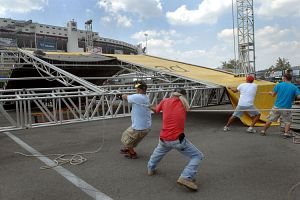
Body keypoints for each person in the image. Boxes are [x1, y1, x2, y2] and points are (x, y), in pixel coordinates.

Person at [147, 88, 204, 191]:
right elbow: (187, 108)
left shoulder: (164, 101)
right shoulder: (183, 103)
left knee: (157, 153)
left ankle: (150, 169)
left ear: (172, 94)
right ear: (183, 95)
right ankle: (185, 177)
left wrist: (149, 106)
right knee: (197, 156)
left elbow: (155, 110)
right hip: (177, 140)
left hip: (164, 138)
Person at [119, 81, 151, 159]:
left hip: (139, 127)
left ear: (139, 90)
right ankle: (128, 148)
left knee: (125, 137)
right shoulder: (146, 97)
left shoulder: (138, 97)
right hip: (146, 126)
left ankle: (132, 153)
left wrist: (119, 95)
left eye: (136, 88)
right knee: (133, 139)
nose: (135, 90)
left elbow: (125, 97)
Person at [260, 73, 300, 138]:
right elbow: (298, 96)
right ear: (291, 79)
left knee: (270, 119)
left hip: (277, 106)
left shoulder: (279, 85)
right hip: (287, 108)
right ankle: (286, 133)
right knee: (287, 122)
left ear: (284, 78)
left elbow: (273, 95)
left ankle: (263, 131)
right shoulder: (294, 87)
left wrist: (270, 93)